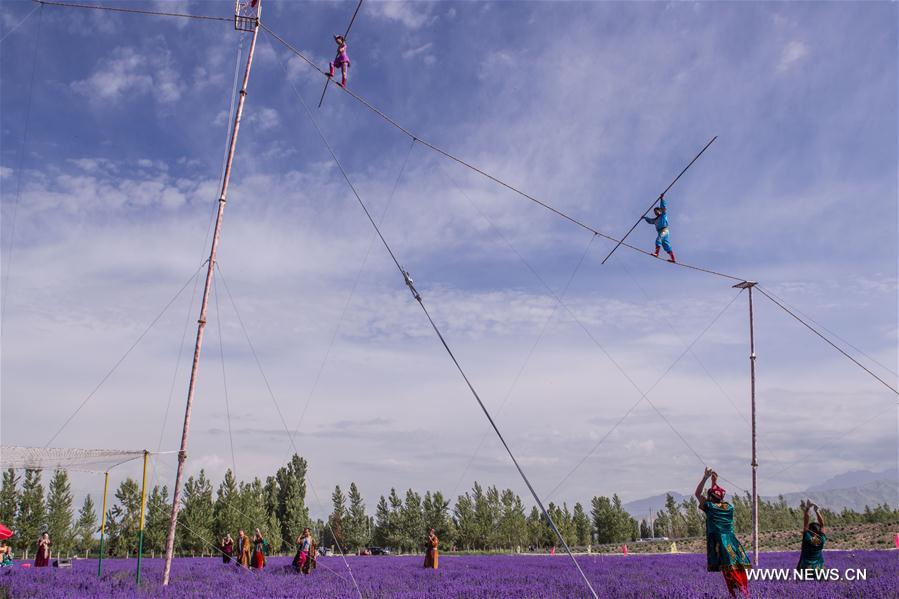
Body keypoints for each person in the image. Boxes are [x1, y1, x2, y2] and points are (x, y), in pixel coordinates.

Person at [694, 467, 750, 598]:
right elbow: (716, 497)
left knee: (731, 576)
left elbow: (697, 494)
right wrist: (714, 483)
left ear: (710, 498)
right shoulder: (729, 507)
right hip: (733, 545)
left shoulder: (710, 507)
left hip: (722, 547)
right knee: (739, 573)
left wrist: (705, 478)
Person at [643, 194, 676, 263]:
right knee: (666, 245)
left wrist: (661, 199)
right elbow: (650, 220)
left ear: (660, 211)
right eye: (654, 212)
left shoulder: (663, 214)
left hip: (664, 230)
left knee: (659, 239)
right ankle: (673, 258)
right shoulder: (655, 220)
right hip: (661, 232)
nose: (655, 213)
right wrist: (644, 218)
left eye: (656, 211)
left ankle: (656, 253)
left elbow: (663, 207)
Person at [797, 499, 826, 571]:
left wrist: (807, 509)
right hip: (819, 567)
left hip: (806, 566)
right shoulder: (822, 539)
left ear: (811, 530)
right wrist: (817, 511)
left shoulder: (807, 538)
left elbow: (805, 523)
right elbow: (822, 525)